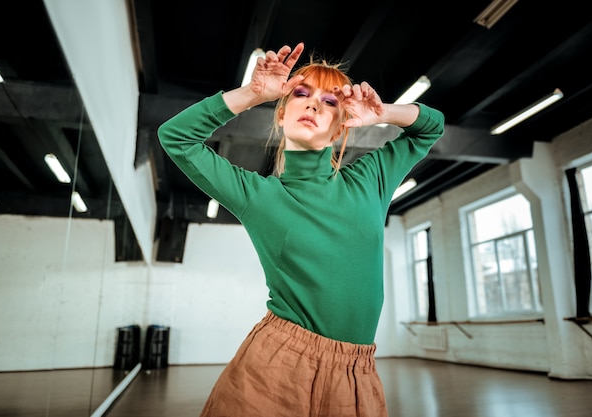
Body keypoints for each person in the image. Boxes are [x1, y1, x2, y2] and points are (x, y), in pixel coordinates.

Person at [157, 42, 444, 417]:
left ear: (342, 125)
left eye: (329, 102)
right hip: (278, 364)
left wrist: (382, 113)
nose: (312, 105)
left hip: (356, 372)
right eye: (301, 94)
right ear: (281, 115)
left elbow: (430, 127)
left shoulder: (369, 179)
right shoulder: (258, 195)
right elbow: (175, 137)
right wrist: (253, 93)